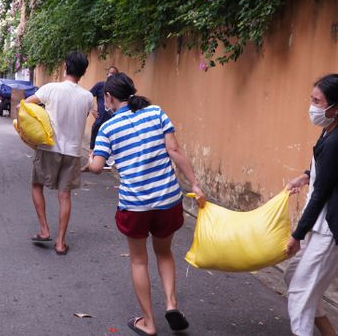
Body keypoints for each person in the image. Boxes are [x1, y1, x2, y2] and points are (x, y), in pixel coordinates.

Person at [88, 72, 205, 336]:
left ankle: (149, 323)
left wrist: (90, 161)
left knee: (139, 261)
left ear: (108, 97)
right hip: (167, 200)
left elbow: (97, 166)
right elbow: (175, 151)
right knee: (164, 253)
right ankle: (172, 304)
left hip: (135, 206)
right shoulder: (156, 113)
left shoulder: (108, 127)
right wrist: (195, 184)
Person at [283, 73, 338, 336]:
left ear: (337, 107)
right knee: (295, 279)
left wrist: (297, 235)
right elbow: (326, 169)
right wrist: (306, 175)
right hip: (325, 224)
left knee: (300, 292)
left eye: (316, 101)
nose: (311, 106)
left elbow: (321, 193)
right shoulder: (332, 130)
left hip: (336, 230)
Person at [23, 51, 93, 255]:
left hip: (48, 147)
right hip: (72, 152)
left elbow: (26, 104)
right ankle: (61, 243)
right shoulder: (88, 97)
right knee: (65, 196)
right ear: (83, 72)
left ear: (65, 66)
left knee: (37, 185)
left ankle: (44, 230)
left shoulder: (50, 89)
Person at [82, 65, 119, 172]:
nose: (111, 75)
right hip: (100, 121)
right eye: (110, 73)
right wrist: (92, 110)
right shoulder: (100, 86)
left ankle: (105, 163)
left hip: (112, 122)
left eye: (114, 73)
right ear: (107, 74)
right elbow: (88, 96)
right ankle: (89, 164)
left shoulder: (117, 89)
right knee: (93, 143)